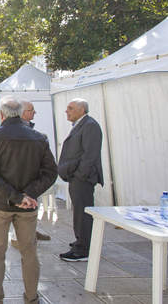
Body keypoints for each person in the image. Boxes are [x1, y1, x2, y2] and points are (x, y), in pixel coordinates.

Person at [0, 97, 58, 304]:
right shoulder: (39, 137)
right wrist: (27, 195)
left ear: (1, 114)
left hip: (1, 204)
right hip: (25, 205)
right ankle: (31, 298)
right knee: (29, 251)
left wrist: (20, 196)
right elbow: (51, 172)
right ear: (22, 113)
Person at [58, 98, 104, 263]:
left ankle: (83, 249)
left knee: (83, 212)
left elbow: (89, 155)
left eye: (70, 108)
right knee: (79, 211)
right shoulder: (81, 124)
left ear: (81, 110)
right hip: (77, 177)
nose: (66, 111)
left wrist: (79, 175)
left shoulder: (90, 125)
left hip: (82, 178)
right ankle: (82, 241)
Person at [9, 100, 51, 249]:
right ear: (22, 112)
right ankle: (17, 236)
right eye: (31, 110)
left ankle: (31, 231)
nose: (34, 112)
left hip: (33, 176)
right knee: (21, 207)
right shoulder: (17, 129)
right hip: (20, 176)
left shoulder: (33, 131)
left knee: (32, 205)